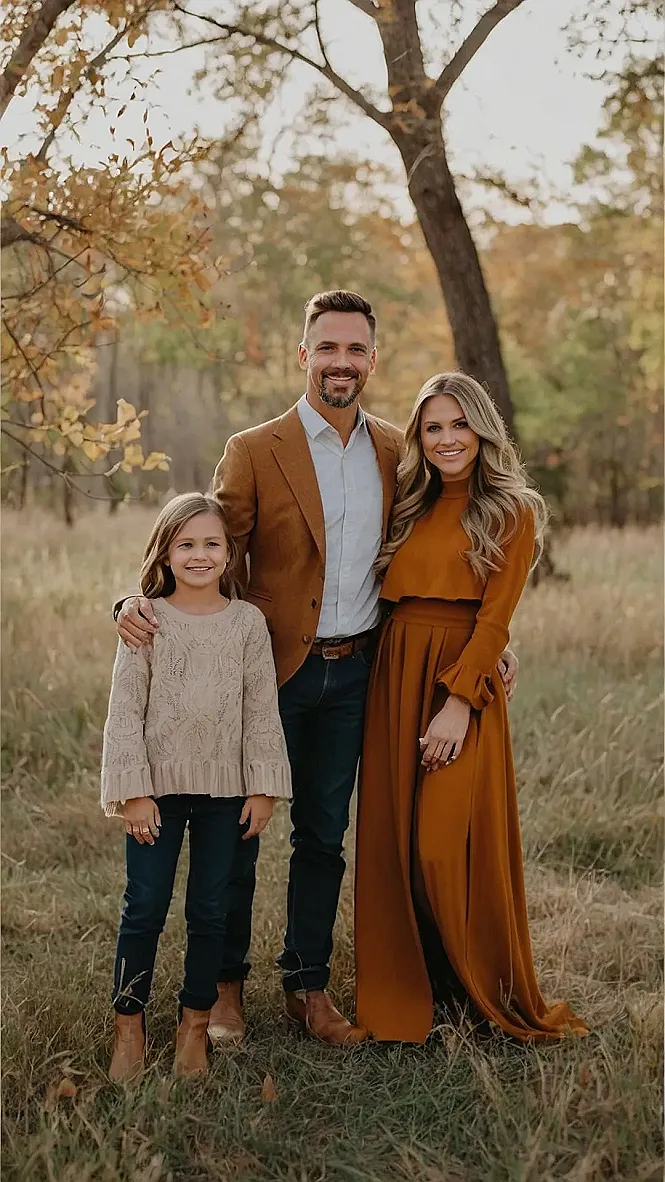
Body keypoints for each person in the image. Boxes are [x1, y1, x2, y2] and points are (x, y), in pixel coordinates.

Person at [115, 291, 519, 1047]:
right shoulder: (254, 448)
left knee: (324, 836)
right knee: (238, 833)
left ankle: (307, 987)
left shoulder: (399, 450)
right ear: (303, 355)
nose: (341, 362)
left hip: (357, 671)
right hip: (266, 674)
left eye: (355, 350)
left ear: (372, 359)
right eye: (327, 348)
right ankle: (226, 987)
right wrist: (131, 601)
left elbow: (439, 555)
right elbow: (205, 547)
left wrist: (486, 641)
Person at [354, 372, 588, 1044]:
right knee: (394, 843)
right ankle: (419, 995)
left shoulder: (510, 509)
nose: (447, 439)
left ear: (482, 430)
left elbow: (495, 618)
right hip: (395, 673)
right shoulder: (406, 503)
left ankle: (479, 990)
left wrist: (458, 702)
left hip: (460, 681)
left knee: (442, 844)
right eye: (432, 428)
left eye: (459, 425)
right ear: (418, 438)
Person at [102, 493, 291, 1081]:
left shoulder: (247, 624)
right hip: (155, 794)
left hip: (227, 794)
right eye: (186, 544)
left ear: (230, 552)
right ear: (165, 552)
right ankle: (129, 1025)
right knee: (145, 907)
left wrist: (264, 787)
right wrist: (133, 790)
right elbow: (124, 710)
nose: (200, 555)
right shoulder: (147, 619)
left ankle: (193, 1024)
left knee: (211, 908)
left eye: (212, 544)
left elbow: (261, 708)